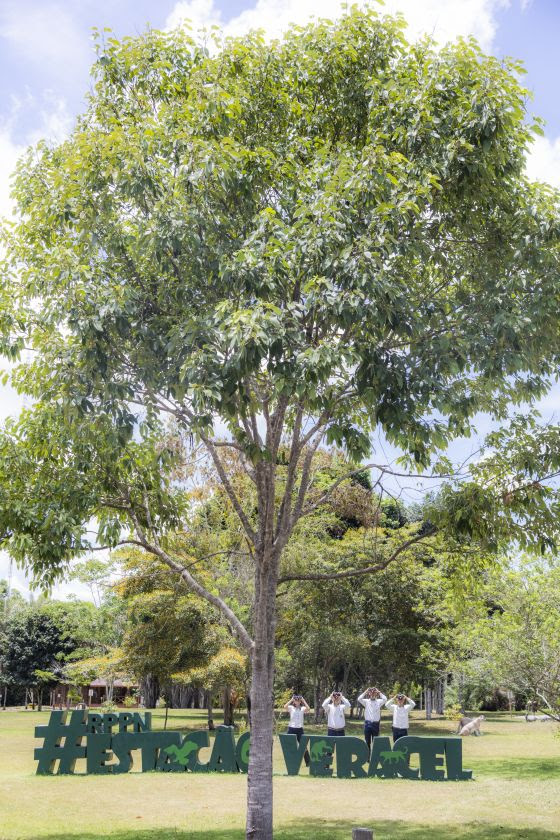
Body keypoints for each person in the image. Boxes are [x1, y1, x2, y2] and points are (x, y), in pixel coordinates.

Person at [284, 693, 310, 765]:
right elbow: (285, 706)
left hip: (299, 730)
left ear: (300, 701)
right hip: (291, 729)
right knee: (289, 745)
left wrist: (303, 700)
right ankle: (290, 761)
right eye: (296, 700)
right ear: (294, 701)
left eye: (298, 700)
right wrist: (291, 699)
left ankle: (308, 762)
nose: (297, 701)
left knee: (303, 745)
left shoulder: (302, 708)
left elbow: (308, 708)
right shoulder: (291, 708)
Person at [357, 686, 387, 751]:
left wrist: (379, 692)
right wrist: (365, 691)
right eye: (371, 693)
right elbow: (359, 699)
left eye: (374, 693)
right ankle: (368, 757)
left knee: (376, 742)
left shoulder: (379, 701)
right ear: (369, 694)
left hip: (375, 724)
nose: (372, 694)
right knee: (367, 741)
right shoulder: (366, 701)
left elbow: (385, 699)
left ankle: (375, 757)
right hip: (367, 724)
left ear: (376, 694)